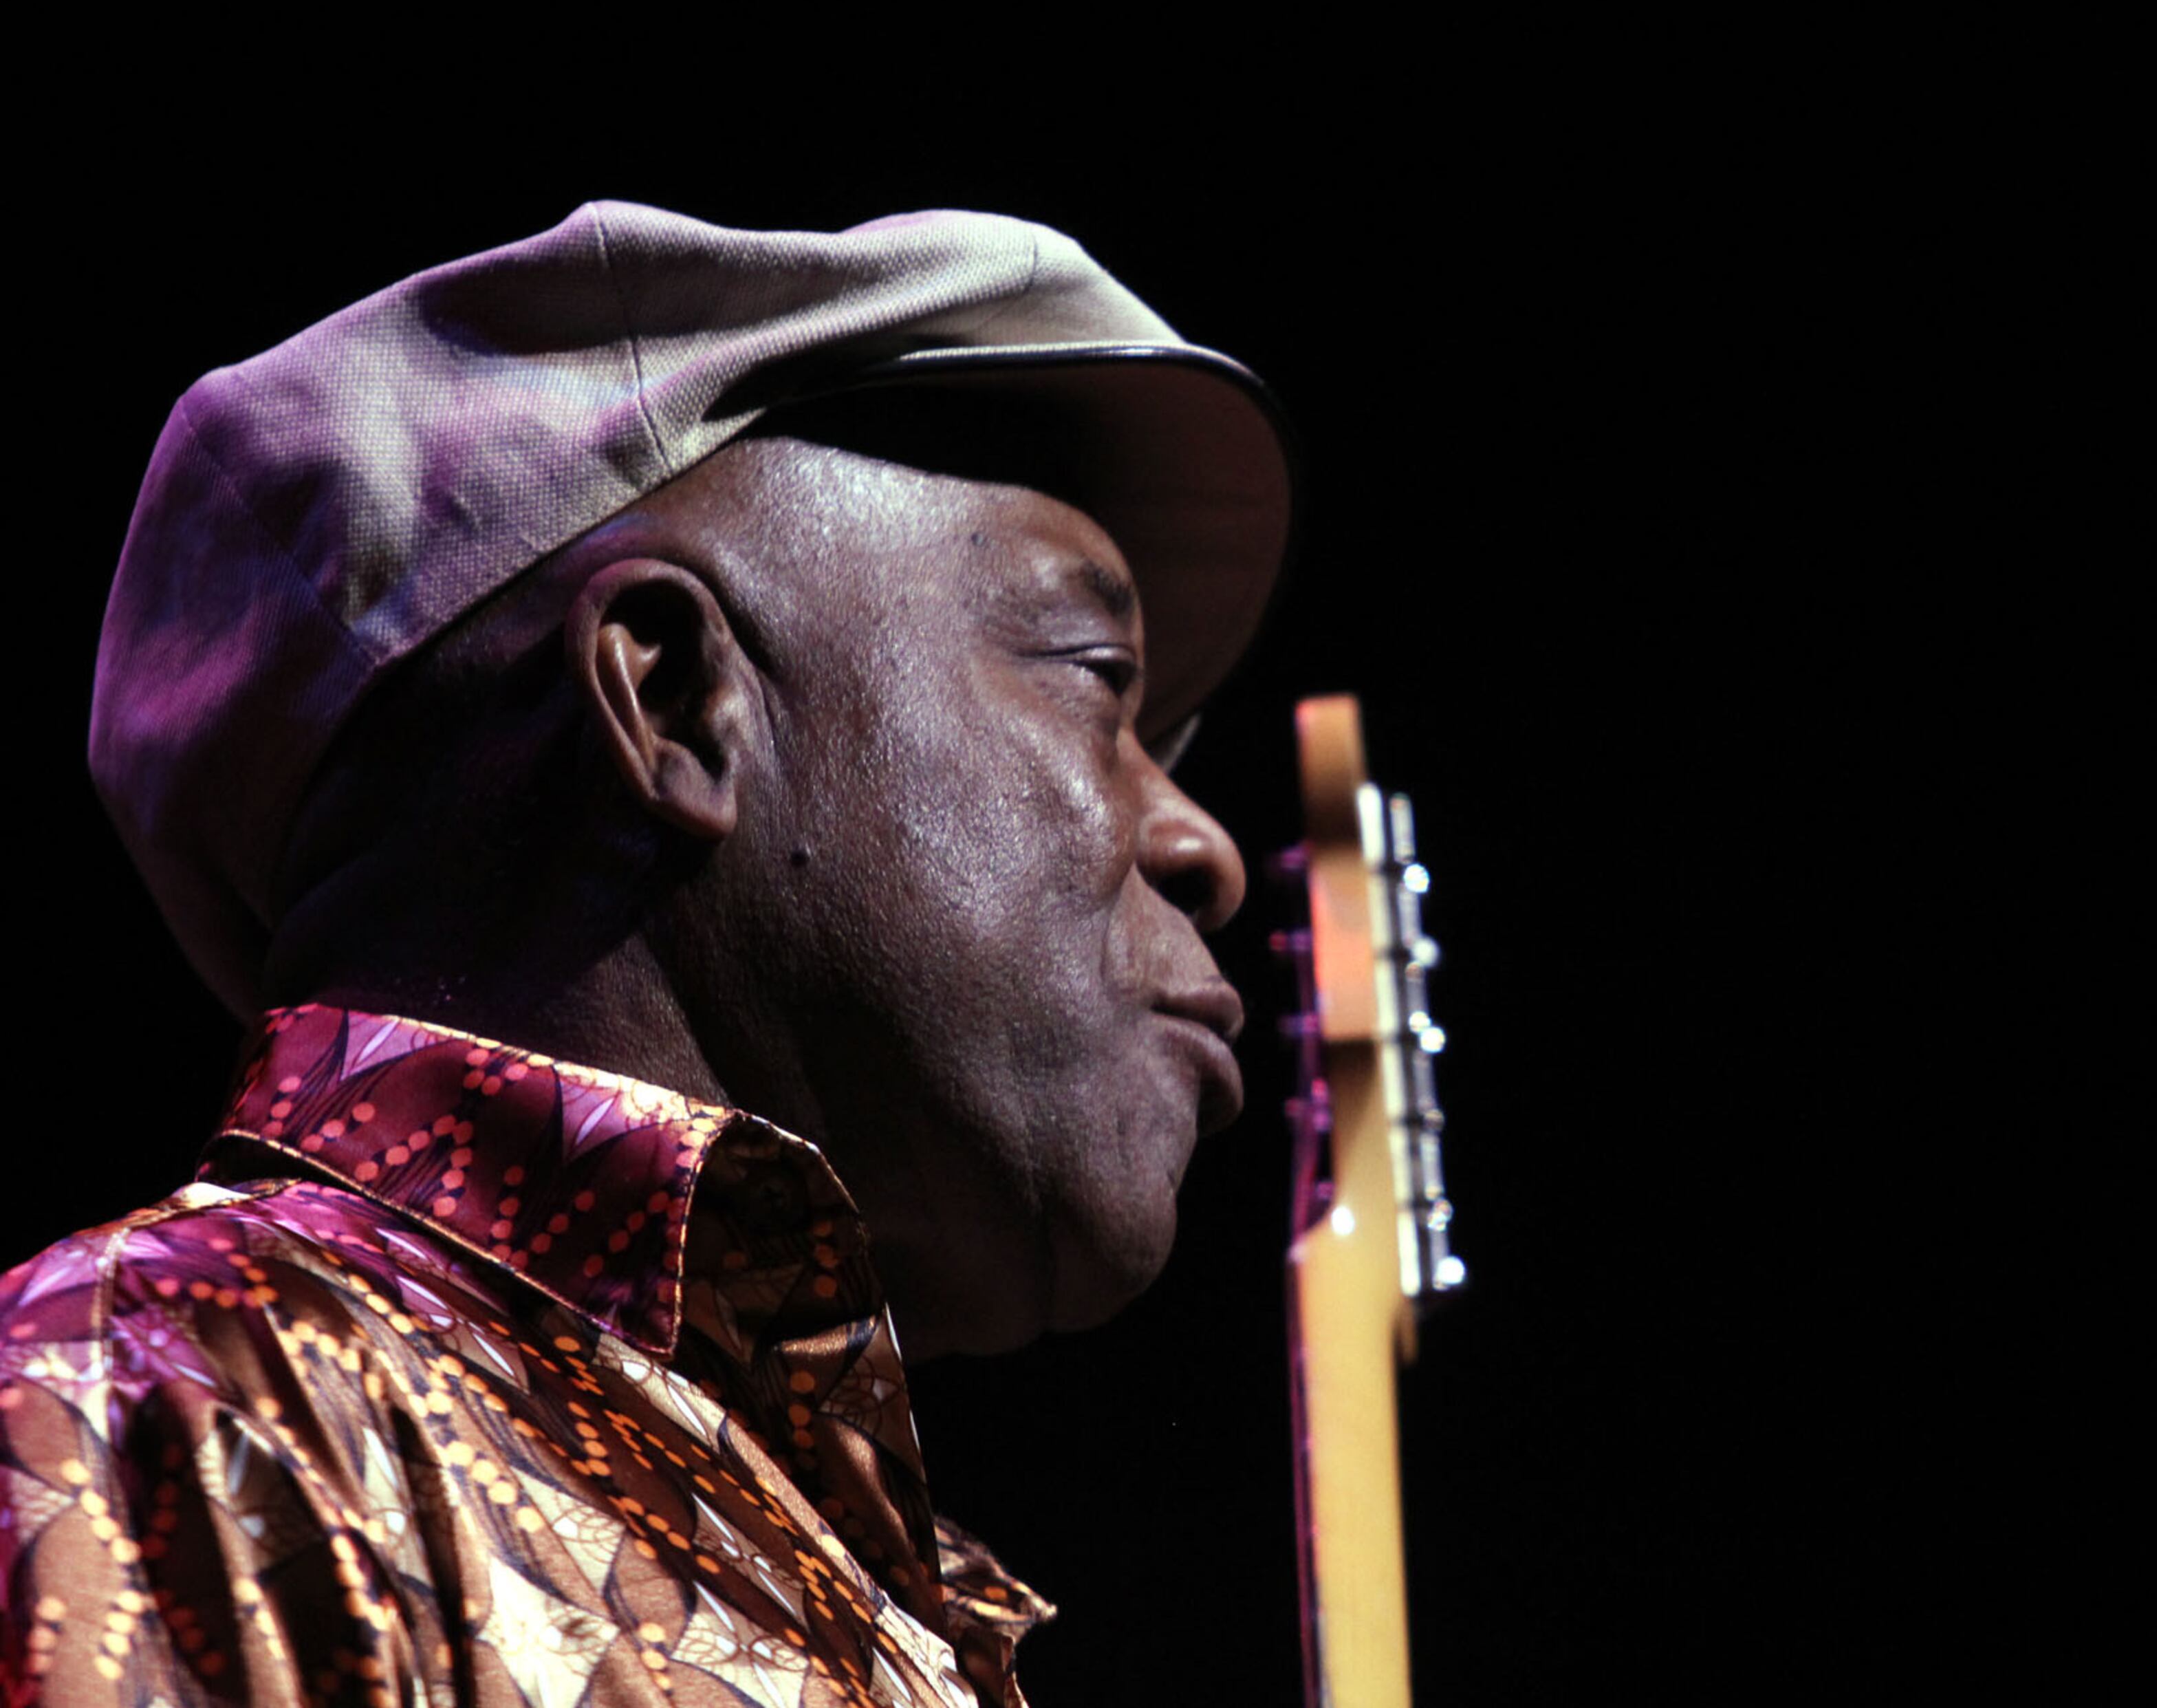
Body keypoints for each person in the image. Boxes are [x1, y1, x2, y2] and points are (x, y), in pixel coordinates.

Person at [0, 203, 1294, 1707]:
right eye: (1096, 680)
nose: (1198, 837)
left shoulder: (841, 1572)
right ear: (677, 698)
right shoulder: (171, 1415)